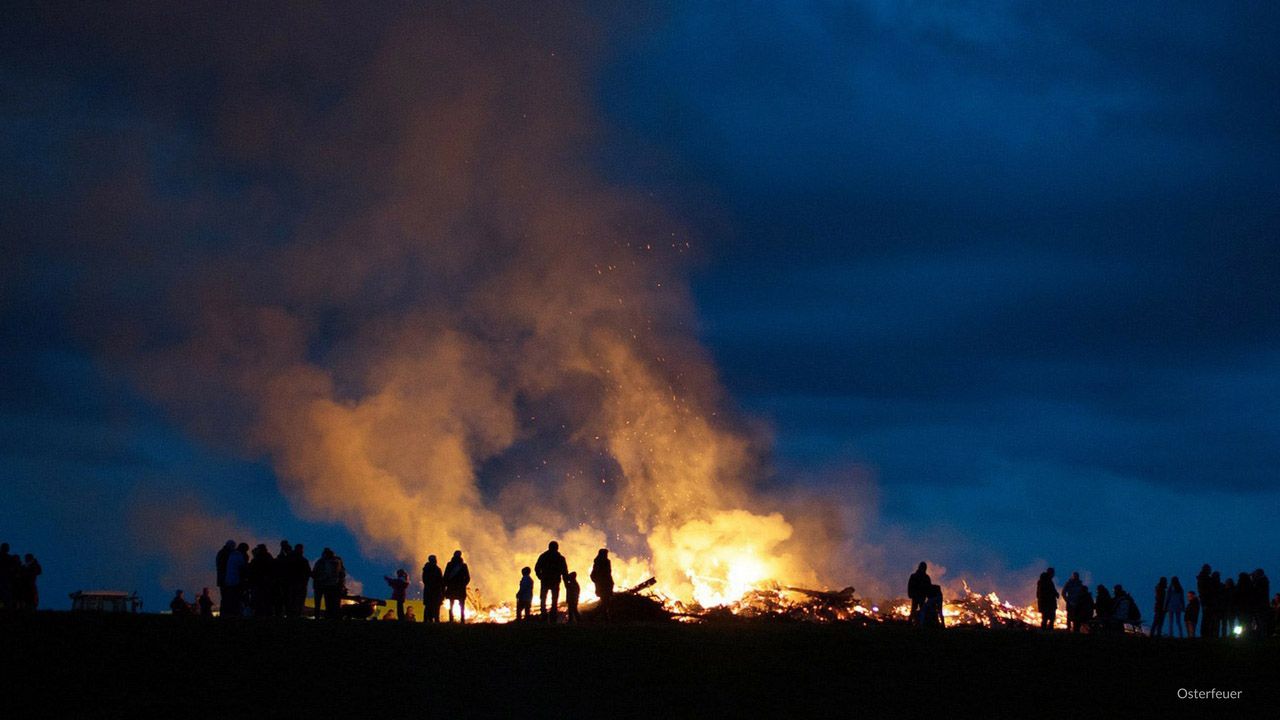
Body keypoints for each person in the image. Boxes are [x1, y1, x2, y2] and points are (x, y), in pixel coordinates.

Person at [534, 541, 568, 623]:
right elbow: (564, 572)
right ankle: (553, 617)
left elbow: (537, 568)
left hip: (545, 580)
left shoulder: (543, 556)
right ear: (557, 547)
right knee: (554, 599)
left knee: (543, 598)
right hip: (555, 581)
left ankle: (543, 615)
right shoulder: (560, 558)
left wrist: (540, 577)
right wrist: (566, 582)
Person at [313, 548, 346, 620]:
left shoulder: (321, 562)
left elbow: (315, 572)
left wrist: (319, 579)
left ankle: (319, 616)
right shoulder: (337, 562)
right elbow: (342, 574)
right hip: (332, 585)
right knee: (330, 602)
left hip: (322, 585)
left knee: (320, 602)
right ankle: (331, 616)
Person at [223, 542, 249, 618]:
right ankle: (237, 613)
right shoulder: (239, 556)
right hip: (237, 580)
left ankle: (231, 613)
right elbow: (242, 568)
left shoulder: (231, 555)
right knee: (237, 598)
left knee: (231, 598)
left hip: (229, 580)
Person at [443, 550, 470, 623]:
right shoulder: (463, 565)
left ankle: (451, 619)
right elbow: (467, 578)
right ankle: (462, 620)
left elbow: (445, 577)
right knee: (461, 605)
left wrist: (447, 585)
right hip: (459, 588)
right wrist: (463, 584)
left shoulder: (450, 565)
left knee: (452, 605)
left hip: (452, 588)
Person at [286, 543, 311, 618]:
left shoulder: (289, 558)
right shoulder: (303, 560)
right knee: (298, 599)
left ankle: (290, 614)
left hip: (291, 582)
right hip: (300, 583)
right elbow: (308, 571)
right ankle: (296, 614)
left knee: (291, 599)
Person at [590, 549, 613, 620]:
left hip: (605, 584)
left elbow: (608, 574)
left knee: (605, 601)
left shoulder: (604, 562)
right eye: (605, 554)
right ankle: (604, 616)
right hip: (603, 585)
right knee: (605, 601)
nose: (606, 555)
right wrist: (598, 582)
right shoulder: (599, 563)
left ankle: (604, 616)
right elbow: (593, 575)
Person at [907, 562, 931, 627]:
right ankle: (914, 623)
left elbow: (928, 587)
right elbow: (910, 586)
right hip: (917, 596)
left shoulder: (922, 577)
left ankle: (918, 624)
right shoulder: (916, 576)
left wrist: (928, 596)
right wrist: (910, 594)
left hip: (920, 596)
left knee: (919, 610)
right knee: (916, 610)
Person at [215, 540, 235, 617]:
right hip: (226, 579)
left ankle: (224, 613)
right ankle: (226, 613)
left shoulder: (221, 553)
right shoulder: (226, 554)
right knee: (227, 597)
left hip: (222, 579)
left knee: (224, 597)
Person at [422, 555, 444, 623]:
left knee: (429, 606)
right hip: (435, 591)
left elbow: (424, 580)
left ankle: (428, 620)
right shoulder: (436, 569)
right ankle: (434, 620)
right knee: (433, 606)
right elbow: (441, 580)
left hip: (430, 591)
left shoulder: (426, 569)